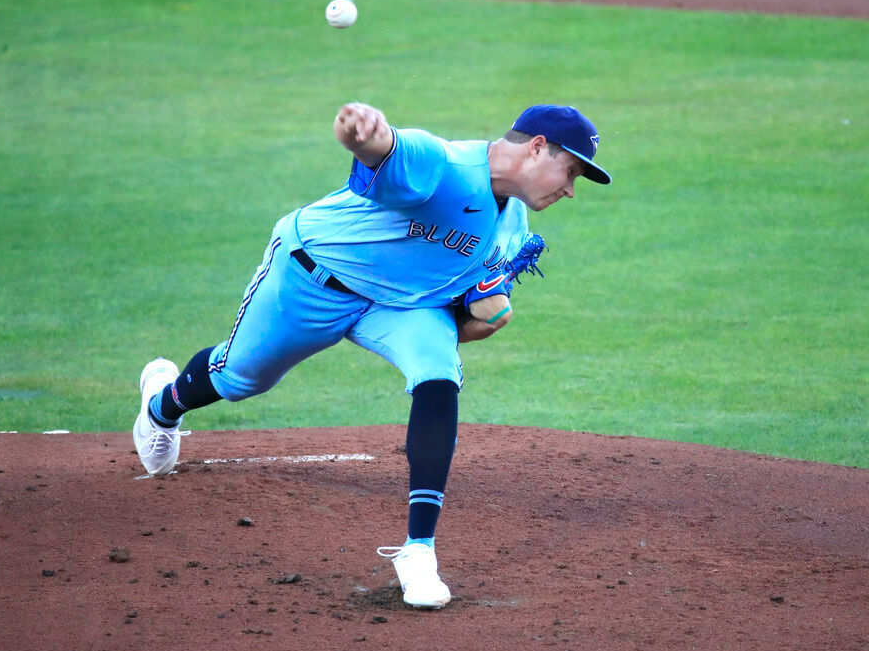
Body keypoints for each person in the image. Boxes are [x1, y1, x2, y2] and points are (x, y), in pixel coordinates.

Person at [133, 101, 611, 609]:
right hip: (313, 277)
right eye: (571, 170)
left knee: (437, 371)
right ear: (538, 147)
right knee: (239, 378)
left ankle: (419, 551)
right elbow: (384, 150)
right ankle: (161, 406)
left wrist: (487, 317)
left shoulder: (511, 226)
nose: (570, 189)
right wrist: (363, 135)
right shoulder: (440, 164)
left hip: (401, 306)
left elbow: (463, 320)